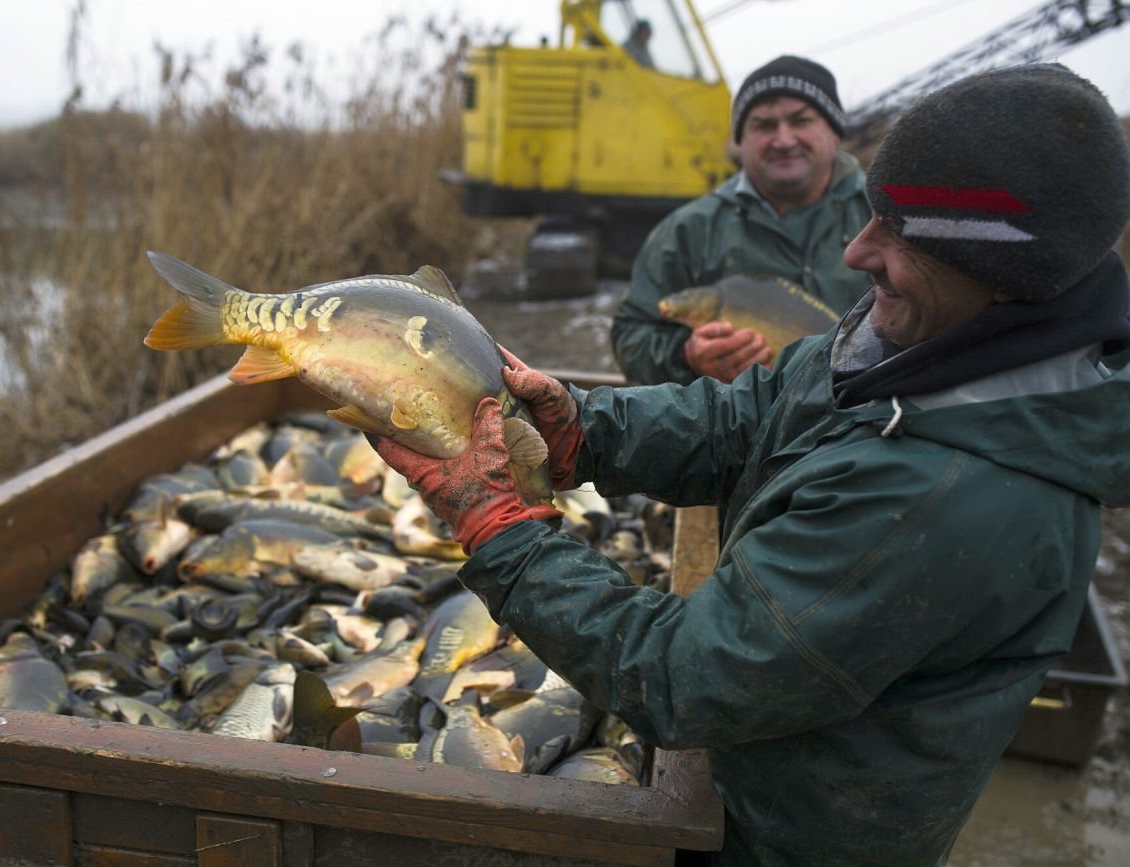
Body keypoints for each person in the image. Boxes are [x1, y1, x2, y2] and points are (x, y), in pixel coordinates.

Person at [370, 63, 1130, 865]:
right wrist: (582, 430)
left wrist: (502, 530)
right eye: (873, 213)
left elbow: (682, 677)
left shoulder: (946, 497)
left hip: (794, 839)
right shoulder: (921, 339)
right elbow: (748, 415)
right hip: (758, 766)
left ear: (1000, 270)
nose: (856, 248)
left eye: (899, 234)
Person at [612, 55, 873, 385]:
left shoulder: (883, 214)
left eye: (800, 121)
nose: (783, 140)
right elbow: (629, 336)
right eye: (763, 125)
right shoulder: (688, 230)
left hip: (868, 417)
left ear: (834, 131)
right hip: (742, 429)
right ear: (740, 140)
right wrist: (686, 357)